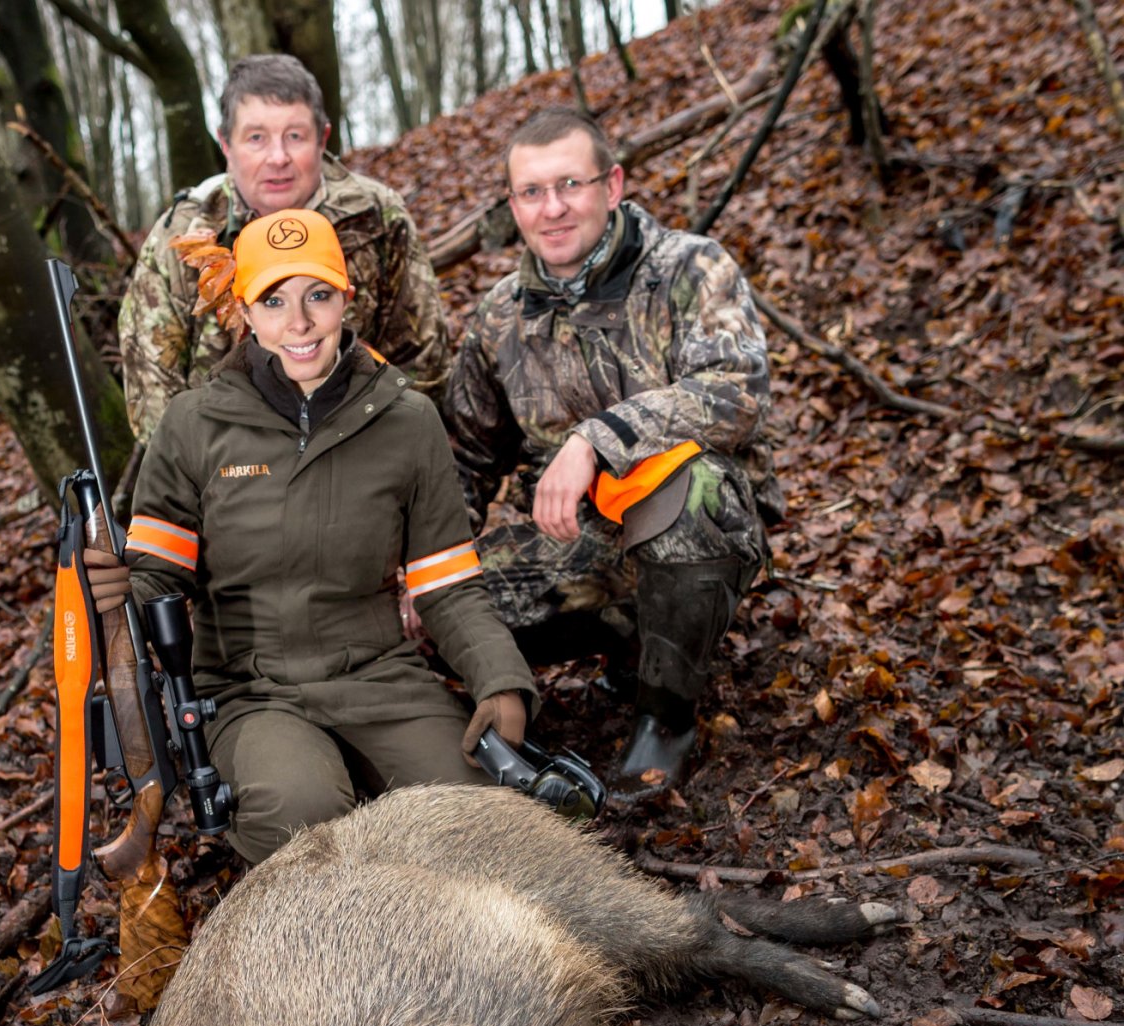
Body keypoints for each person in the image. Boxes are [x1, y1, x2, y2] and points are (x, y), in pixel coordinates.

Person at [86, 209, 534, 866]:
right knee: (303, 818)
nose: (298, 323)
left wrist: (500, 680)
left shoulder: (407, 421)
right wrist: (111, 588)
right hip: (248, 688)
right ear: (245, 310)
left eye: (317, 296)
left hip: (380, 675)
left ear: (345, 299)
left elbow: (449, 585)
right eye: (274, 300)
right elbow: (157, 578)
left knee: (485, 814)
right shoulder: (192, 426)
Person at [444, 108, 784, 795]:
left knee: (695, 493)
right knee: (438, 607)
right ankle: (601, 662)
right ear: (512, 206)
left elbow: (736, 390)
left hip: (693, 530)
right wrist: (418, 568)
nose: (552, 208)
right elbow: (464, 459)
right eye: (531, 192)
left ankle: (664, 716)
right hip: (574, 543)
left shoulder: (689, 267)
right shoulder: (502, 313)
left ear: (613, 184)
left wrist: (595, 439)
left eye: (569, 183)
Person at [119, 54, 450, 444]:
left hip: (361, 457)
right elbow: (154, 392)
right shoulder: (183, 234)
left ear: (323, 137)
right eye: (256, 138)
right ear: (225, 143)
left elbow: (423, 363)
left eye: (295, 136)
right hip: (223, 469)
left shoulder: (376, 217)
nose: (278, 158)